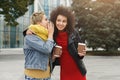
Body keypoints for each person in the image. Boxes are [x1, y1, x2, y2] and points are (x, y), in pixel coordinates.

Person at [50, 6, 87, 80]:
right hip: (65, 71)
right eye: (58, 20)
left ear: (67, 23)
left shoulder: (73, 33)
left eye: (64, 21)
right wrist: (27, 31)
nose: (61, 23)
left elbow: (80, 54)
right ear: (54, 20)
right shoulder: (52, 34)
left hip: (77, 70)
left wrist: (81, 54)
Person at [23, 11, 55, 80]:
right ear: (38, 22)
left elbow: (48, 54)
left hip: (47, 76)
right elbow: (46, 49)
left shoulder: (45, 35)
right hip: (34, 77)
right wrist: (50, 34)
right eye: (45, 19)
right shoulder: (30, 36)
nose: (48, 21)